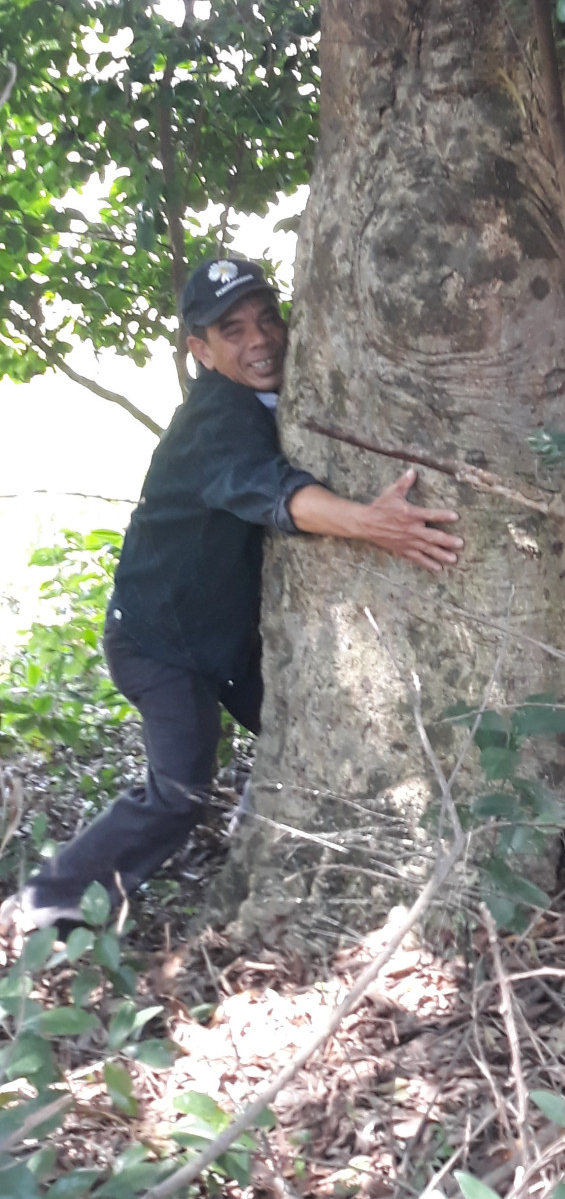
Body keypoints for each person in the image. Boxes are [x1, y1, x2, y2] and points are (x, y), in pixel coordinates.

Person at [2, 257, 464, 934]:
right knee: (179, 791)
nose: (260, 340)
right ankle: (43, 905)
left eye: (266, 318)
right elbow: (270, 492)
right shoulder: (213, 421)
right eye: (232, 330)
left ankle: (260, 829)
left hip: (223, 642)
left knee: (302, 728)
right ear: (200, 350)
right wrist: (372, 523)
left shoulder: (280, 396)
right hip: (159, 644)